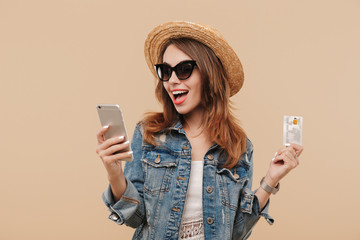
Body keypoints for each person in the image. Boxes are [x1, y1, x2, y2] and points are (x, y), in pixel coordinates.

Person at [96, 21, 303, 240]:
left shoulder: (238, 146)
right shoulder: (149, 134)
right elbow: (134, 218)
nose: (172, 80)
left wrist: (270, 180)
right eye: (166, 71)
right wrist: (114, 173)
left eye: (184, 70)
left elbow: (236, 232)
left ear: (209, 74)